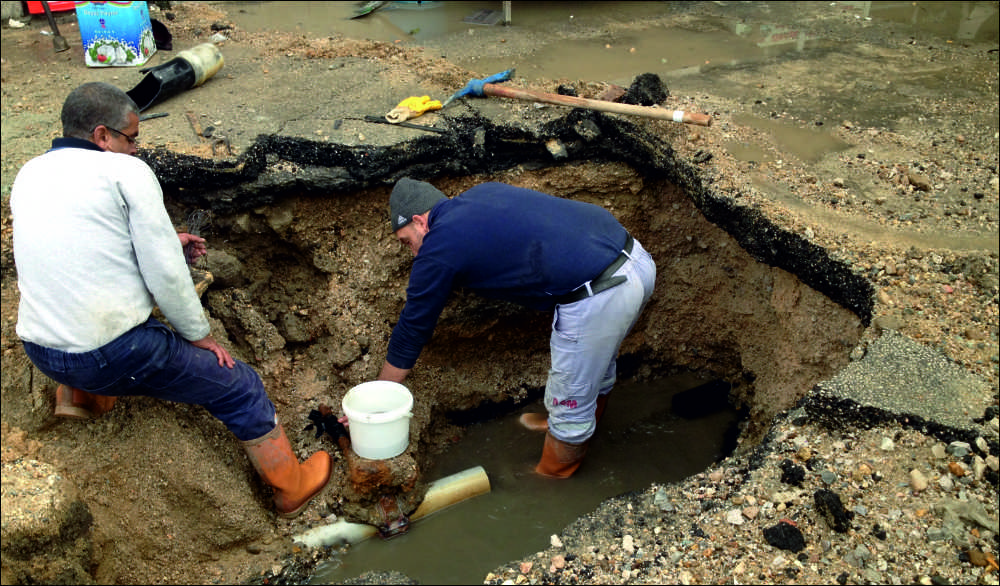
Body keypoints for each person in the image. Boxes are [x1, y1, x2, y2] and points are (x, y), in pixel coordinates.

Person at [10, 82, 330, 518]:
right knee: (239, 386)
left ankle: (78, 396)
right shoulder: (124, 173)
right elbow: (165, 274)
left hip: (42, 350)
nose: (137, 149)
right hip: (107, 354)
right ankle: (291, 487)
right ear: (102, 136)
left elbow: (80, 252)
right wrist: (199, 335)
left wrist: (165, 239)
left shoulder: (30, 173)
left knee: (85, 317)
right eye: (131, 138)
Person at [378, 178, 656, 478]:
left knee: (569, 399)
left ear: (420, 222)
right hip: (636, 259)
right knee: (596, 369)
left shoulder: (438, 245)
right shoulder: (482, 193)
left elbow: (412, 328)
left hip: (601, 292)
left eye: (407, 242)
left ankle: (551, 478)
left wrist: (379, 400)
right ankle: (579, 427)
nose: (414, 254)